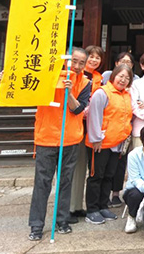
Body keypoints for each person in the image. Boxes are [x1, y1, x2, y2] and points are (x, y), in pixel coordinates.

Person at [27, 47, 91, 241]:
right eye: (74, 61)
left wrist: (69, 92)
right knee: (42, 183)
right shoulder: (46, 75)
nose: (78, 66)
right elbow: (27, 93)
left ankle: (62, 220)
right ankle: (36, 225)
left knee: (65, 182)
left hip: (70, 139)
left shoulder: (85, 82)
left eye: (82, 62)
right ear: (65, 59)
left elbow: (78, 109)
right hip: (46, 137)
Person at [85, 64, 134, 225]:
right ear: (113, 76)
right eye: (121, 76)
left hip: (117, 143)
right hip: (101, 143)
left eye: (127, 78)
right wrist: (96, 138)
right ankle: (92, 209)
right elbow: (94, 116)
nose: (123, 80)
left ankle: (103, 205)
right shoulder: (102, 92)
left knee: (108, 176)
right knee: (96, 176)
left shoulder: (126, 95)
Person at [68, 45, 104, 223]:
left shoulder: (99, 78)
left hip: (89, 126)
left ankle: (76, 206)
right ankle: (66, 208)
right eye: (91, 57)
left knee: (82, 166)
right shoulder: (70, 75)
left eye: (98, 58)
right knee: (70, 168)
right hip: (73, 123)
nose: (94, 60)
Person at [104, 51, 139, 208]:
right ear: (116, 63)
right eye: (123, 61)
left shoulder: (136, 81)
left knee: (120, 162)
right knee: (105, 165)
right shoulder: (107, 76)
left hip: (128, 126)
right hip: (109, 127)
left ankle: (116, 193)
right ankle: (102, 198)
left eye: (129, 62)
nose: (126, 64)